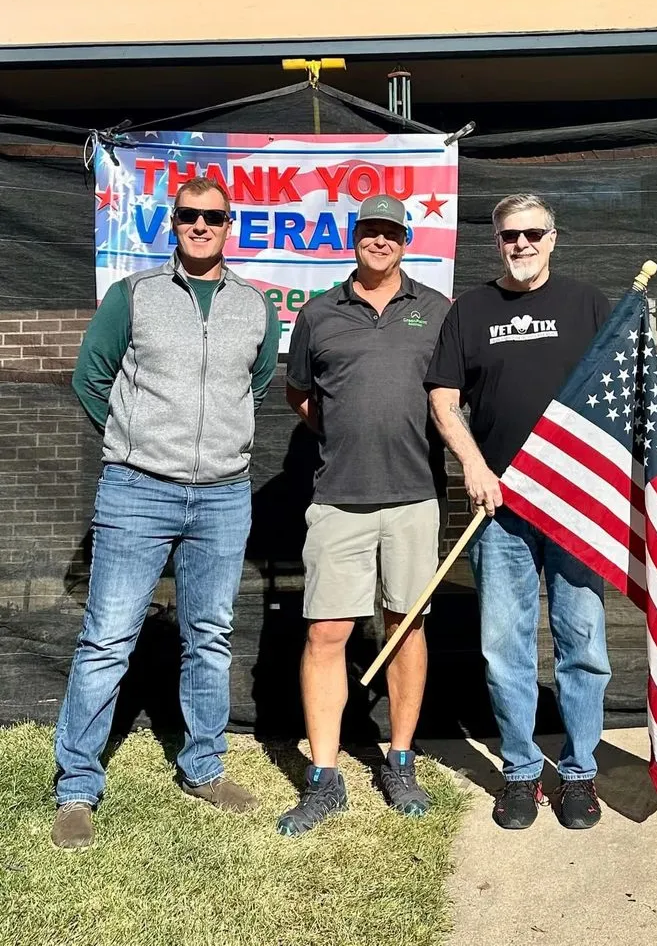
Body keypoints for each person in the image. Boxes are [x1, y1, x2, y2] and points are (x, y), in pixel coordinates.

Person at [52, 176, 279, 849]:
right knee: (107, 639)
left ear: (229, 223)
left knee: (208, 634)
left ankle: (204, 768)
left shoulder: (254, 306)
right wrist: (131, 442)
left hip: (223, 494)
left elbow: (256, 382)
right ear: (172, 223)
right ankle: (76, 788)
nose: (201, 226)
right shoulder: (134, 297)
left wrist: (212, 445)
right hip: (136, 490)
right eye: (189, 216)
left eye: (213, 216)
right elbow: (90, 376)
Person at [426, 193, 612, 831]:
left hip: (576, 507)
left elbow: (622, 399)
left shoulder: (588, 305)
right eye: (510, 236)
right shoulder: (471, 310)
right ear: (497, 242)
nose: (522, 245)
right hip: (499, 508)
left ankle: (579, 774)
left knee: (582, 644)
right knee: (504, 647)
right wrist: (475, 469)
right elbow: (444, 399)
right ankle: (521, 772)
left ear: (553, 238)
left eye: (533, 234)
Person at [277, 195, 451, 836]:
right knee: (326, 635)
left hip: (414, 497)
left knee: (406, 627)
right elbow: (299, 393)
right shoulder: (319, 314)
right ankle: (325, 778)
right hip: (336, 500)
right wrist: (342, 432)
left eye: (392, 233)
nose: (380, 241)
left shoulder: (435, 311)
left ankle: (399, 760)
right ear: (354, 238)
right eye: (370, 231)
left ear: (406, 241)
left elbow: (452, 397)